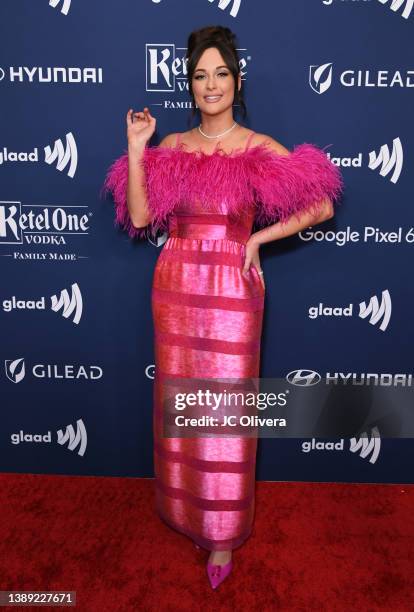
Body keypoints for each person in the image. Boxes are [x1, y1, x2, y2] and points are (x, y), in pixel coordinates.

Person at [103, 25, 343, 589]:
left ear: (237, 81)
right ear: (189, 86)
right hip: (177, 288)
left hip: (234, 292)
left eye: (220, 73)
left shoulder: (258, 147)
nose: (210, 85)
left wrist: (258, 239)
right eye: (199, 76)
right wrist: (138, 149)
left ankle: (222, 535)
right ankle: (183, 511)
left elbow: (323, 204)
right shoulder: (173, 148)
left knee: (228, 413)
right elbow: (139, 219)